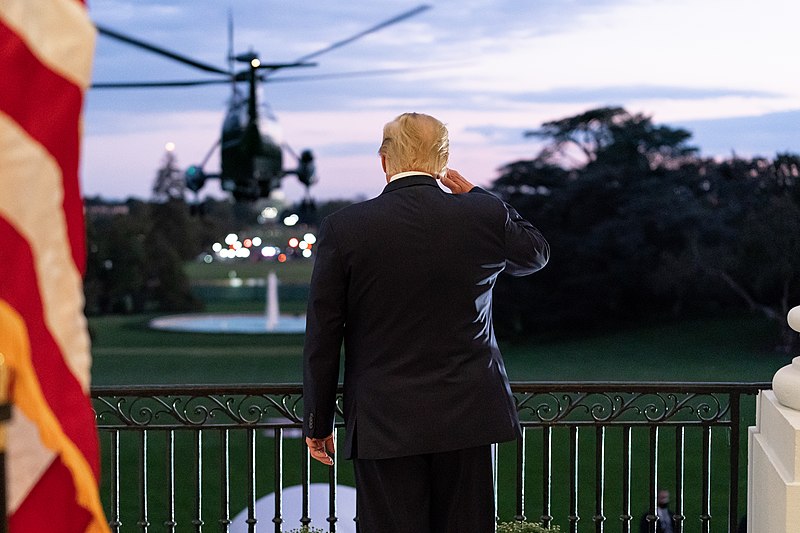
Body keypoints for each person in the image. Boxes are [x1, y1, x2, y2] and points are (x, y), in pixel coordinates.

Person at [302, 112, 549, 533]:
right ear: (443, 161)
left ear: (384, 160)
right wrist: (481, 196)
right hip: (469, 416)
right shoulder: (481, 214)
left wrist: (318, 421)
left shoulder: (344, 228)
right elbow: (535, 255)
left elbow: (323, 336)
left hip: (384, 421)